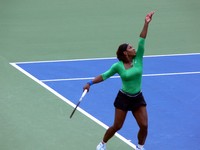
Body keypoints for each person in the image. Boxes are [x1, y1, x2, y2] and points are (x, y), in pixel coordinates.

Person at [83, 11, 155, 150]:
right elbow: (104, 75)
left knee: (144, 126)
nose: (133, 48)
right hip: (123, 98)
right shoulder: (118, 66)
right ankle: (102, 143)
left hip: (137, 97)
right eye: (130, 47)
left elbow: (142, 39)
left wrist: (146, 23)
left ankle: (140, 147)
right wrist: (90, 83)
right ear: (125, 53)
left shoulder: (138, 58)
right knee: (117, 126)